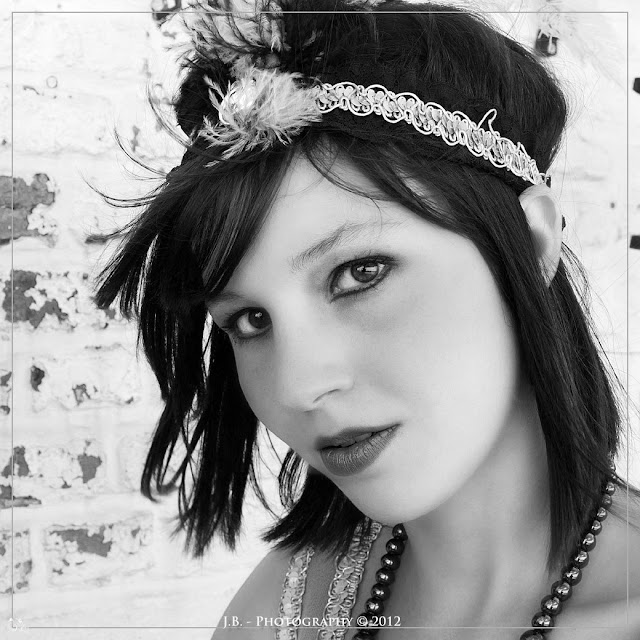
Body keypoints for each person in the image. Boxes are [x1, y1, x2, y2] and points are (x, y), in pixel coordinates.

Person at [92, 1, 640, 638]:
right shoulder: (280, 618)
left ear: (532, 240)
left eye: (360, 273)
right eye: (250, 320)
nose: (298, 387)